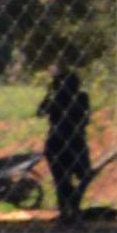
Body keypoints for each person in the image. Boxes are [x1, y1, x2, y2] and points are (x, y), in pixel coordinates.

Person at [41, 55, 95, 223]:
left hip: (57, 142)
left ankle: (68, 209)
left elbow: (40, 111)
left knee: (62, 179)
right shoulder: (80, 97)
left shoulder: (60, 98)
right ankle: (72, 208)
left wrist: (50, 93)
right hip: (74, 141)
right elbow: (85, 118)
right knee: (82, 175)